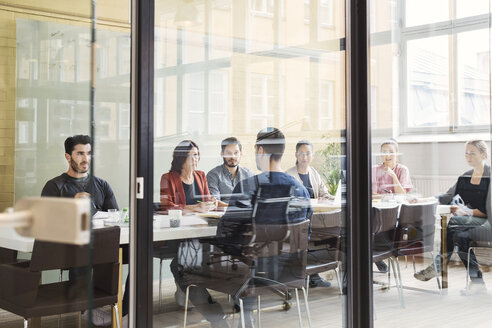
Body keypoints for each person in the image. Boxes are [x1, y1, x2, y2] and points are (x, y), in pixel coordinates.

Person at [173, 127, 312, 328]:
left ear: (260, 150)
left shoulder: (249, 187)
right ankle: (247, 318)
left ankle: (219, 321)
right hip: (288, 269)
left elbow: (225, 236)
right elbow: (304, 236)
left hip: (249, 269)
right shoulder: (301, 190)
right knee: (253, 257)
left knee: (180, 260)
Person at [41, 135, 126, 327]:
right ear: (68, 156)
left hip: (101, 245)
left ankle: (126, 310)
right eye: (80, 153)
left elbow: (114, 218)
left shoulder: (102, 185)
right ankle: (88, 308)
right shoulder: (55, 186)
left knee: (136, 255)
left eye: (88, 153)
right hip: (69, 248)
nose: (85, 158)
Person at [414, 140, 491, 294]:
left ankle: (438, 265)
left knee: (455, 221)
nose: (468, 156)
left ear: (483, 154)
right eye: (466, 153)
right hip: (469, 224)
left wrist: (466, 212)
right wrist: (424, 199)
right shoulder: (465, 177)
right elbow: (448, 196)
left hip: (487, 223)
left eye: (472, 153)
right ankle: (478, 283)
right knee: (461, 237)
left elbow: (487, 210)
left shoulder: (489, 176)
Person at [285, 140, 333, 288]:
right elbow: (288, 201)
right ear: (296, 155)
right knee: (311, 236)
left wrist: (329, 198)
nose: (304, 157)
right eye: (301, 153)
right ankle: (310, 275)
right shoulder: (289, 175)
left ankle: (314, 273)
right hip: (298, 221)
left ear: (312, 156)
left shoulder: (314, 173)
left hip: (315, 218)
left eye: (307, 154)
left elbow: (325, 193)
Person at [371, 139, 413, 273]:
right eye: (384, 152)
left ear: (397, 154)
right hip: (378, 210)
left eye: (391, 152)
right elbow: (371, 194)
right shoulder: (374, 169)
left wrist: (394, 176)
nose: (387, 155)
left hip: (396, 212)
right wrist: (388, 196)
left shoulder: (402, 169)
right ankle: (375, 256)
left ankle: (375, 254)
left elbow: (402, 194)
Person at [160, 140, 225, 212]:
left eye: (195, 155)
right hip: (180, 221)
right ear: (180, 159)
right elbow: (166, 207)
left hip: (201, 220)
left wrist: (212, 203)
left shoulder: (201, 176)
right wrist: (195, 208)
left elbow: (208, 202)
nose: (193, 159)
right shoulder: (167, 178)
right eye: (189, 155)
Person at [206, 137, 254, 204]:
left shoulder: (249, 174)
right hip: (222, 213)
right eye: (228, 153)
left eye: (236, 153)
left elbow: (255, 199)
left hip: (245, 212)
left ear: (241, 153)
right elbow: (214, 202)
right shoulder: (213, 175)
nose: (233, 157)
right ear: (222, 154)